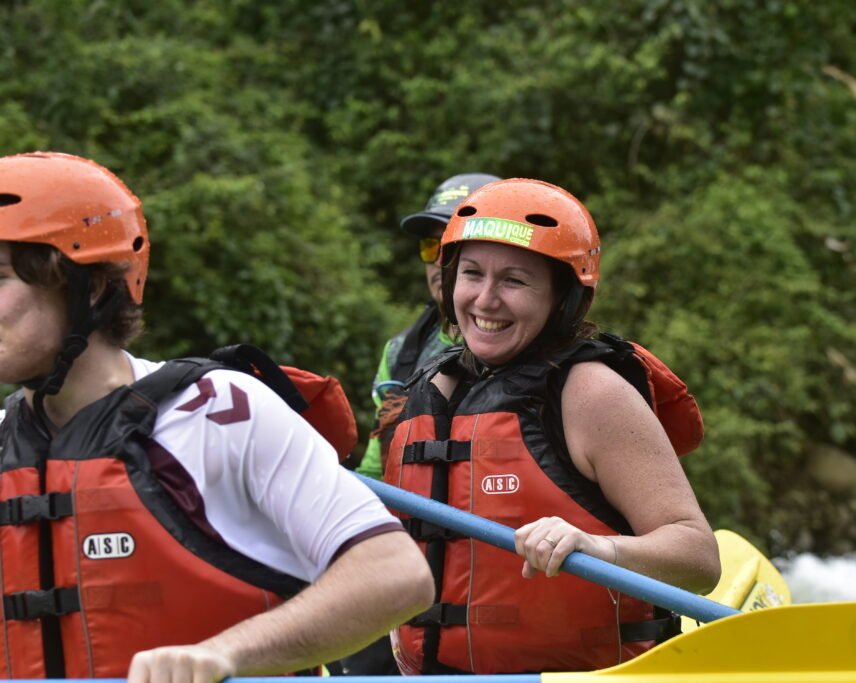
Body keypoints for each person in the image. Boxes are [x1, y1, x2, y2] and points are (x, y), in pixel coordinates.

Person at [0, 152, 434, 682]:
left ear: (89, 288)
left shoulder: (218, 410)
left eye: (0, 277)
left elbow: (398, 574)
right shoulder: (6, 440)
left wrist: (227, 654)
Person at [382, 178, 721, 675]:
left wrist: (594, 546)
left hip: (579, 677)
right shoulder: (429, 392)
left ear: (562, 296)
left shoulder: (592, 394)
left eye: (515, 281)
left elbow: (699, 559)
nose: (485, 300)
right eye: (472, 274)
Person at [357, 172, 500, 480]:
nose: (438, 260)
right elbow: (373, 469)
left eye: (452, 245)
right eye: (429, 246)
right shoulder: (400, 352)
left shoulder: (526, 349)